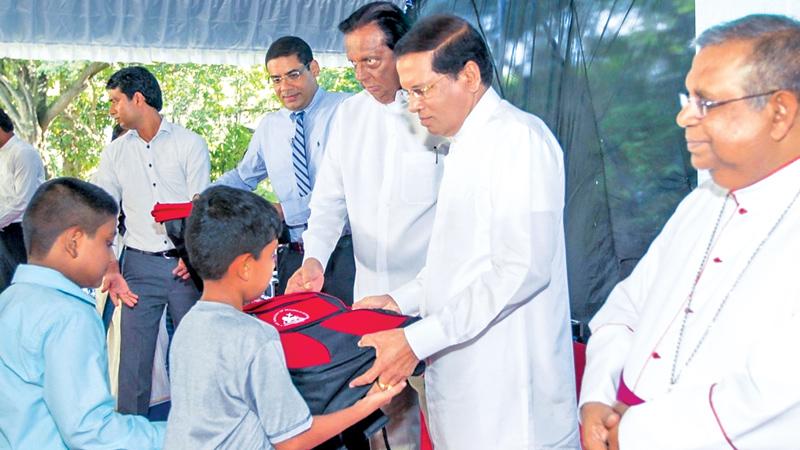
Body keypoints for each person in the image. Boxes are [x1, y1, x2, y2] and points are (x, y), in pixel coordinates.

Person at [349, 14, 580, 450]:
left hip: (510, 401)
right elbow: (458, 260)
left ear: (469, 76)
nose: (413, 105)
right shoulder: (463, 144)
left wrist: (418, 339)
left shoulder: (518, 140)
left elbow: (521, 268)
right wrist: (403, 298)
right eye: (408, 92)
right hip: (464, 379)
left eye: (421, 90)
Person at [579, 14, 800, 450]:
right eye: (688, 97)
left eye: (706, 102)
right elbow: (626, 307)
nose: (683, 117)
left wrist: (637, 431)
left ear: (780, 113)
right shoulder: (702, 202)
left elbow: (775, 396)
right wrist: (597, 398)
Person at [285, 3, 446, 449]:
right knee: (386, 420)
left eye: (371, 60)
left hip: (433, 300)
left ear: (405, 51)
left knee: (448, 415)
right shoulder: (349, 116)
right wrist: (315, 258)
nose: (361, 73)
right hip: (372, 301)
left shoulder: (436, 116)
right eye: (353, 62)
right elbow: (329, 201)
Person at [163, 185, 404, 450]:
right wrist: (368, 404)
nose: (274, 265)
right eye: (270, 256)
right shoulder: (255, 336)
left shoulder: (188, 325)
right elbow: (292, 441)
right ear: (245, 267)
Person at [0, 177, 165, 449]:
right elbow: (89, 431)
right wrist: (177, 435)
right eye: (107, 242)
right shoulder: (70, 316)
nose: (110, 256)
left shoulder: (9, 300)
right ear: (74, 241)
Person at [93, 66, 211, 415]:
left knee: (194, 354)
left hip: (183, 267)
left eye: (115, 101)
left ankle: (201, 426)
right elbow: (105, 213)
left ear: (138, 99)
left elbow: (199, 206)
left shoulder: (189, 143)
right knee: (133, 362)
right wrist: (111, 263)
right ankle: (130, 434)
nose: (112, 109)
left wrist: (191, 257)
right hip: (137, 267)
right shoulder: (115, 153)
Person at [214, 36, 355, 303]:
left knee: (351, 337)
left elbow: (351, 188)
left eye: (293, 75)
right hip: (293, 256)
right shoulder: (270, 126)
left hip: (345, 255)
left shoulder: (347, 111)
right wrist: (206, 197)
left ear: (314, 68)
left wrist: (283, 211)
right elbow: (243, 177)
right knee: (297, 339)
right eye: (276, 80)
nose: (285, 87)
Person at [0, 107, 45, 292]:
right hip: (4, 230)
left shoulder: (23, 153)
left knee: (21, 287)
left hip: (21, 232)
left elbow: (23, 201)